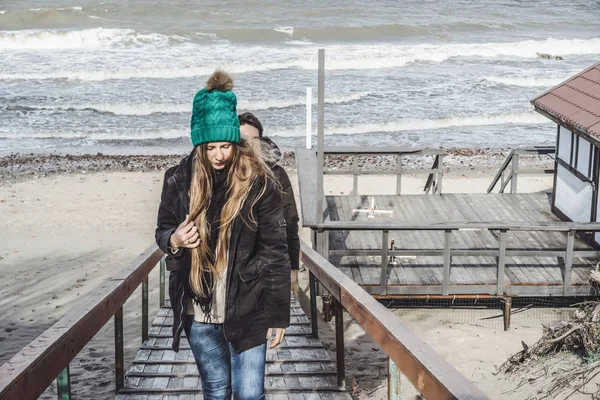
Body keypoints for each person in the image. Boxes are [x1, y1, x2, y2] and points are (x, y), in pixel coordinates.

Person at [155, 70, 291, 399]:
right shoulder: (177, 181)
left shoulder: (260, 183)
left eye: (226, 145)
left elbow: (275, 251)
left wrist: (278, 315)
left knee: (249, 394)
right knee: (216, 392)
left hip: (248, 307)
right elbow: (161, 232)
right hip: (198, 312)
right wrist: (174, 240)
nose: (218, 155)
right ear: (199, 144)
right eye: (211, 146)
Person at [238, 112, 300, 298]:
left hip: (270, 264)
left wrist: (292, 266)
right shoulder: (223, 173)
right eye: (242, 139)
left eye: (254, 139)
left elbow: (290, 220)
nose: (248, 145)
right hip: (235, 267)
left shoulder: (277, 174)